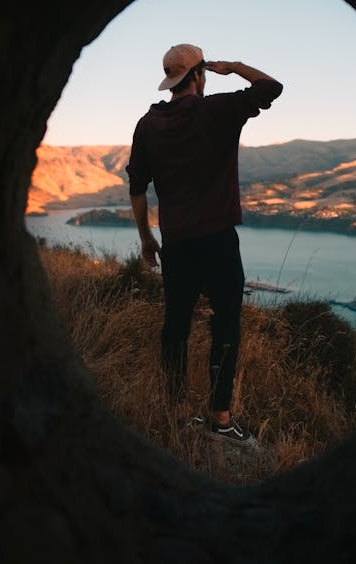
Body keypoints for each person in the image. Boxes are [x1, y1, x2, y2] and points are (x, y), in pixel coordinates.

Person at [125, 43, 283, 444]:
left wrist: (147, 239)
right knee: (226, 323)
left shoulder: (147, 125)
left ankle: (176, 411)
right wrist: (235, 67)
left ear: (170, 80)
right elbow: (271, 87)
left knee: (175, 327)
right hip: (218, 240)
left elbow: (138, 188)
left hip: (176, 243)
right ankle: (219, 418)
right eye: (206, 72)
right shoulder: (216, 111)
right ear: (199, 75)